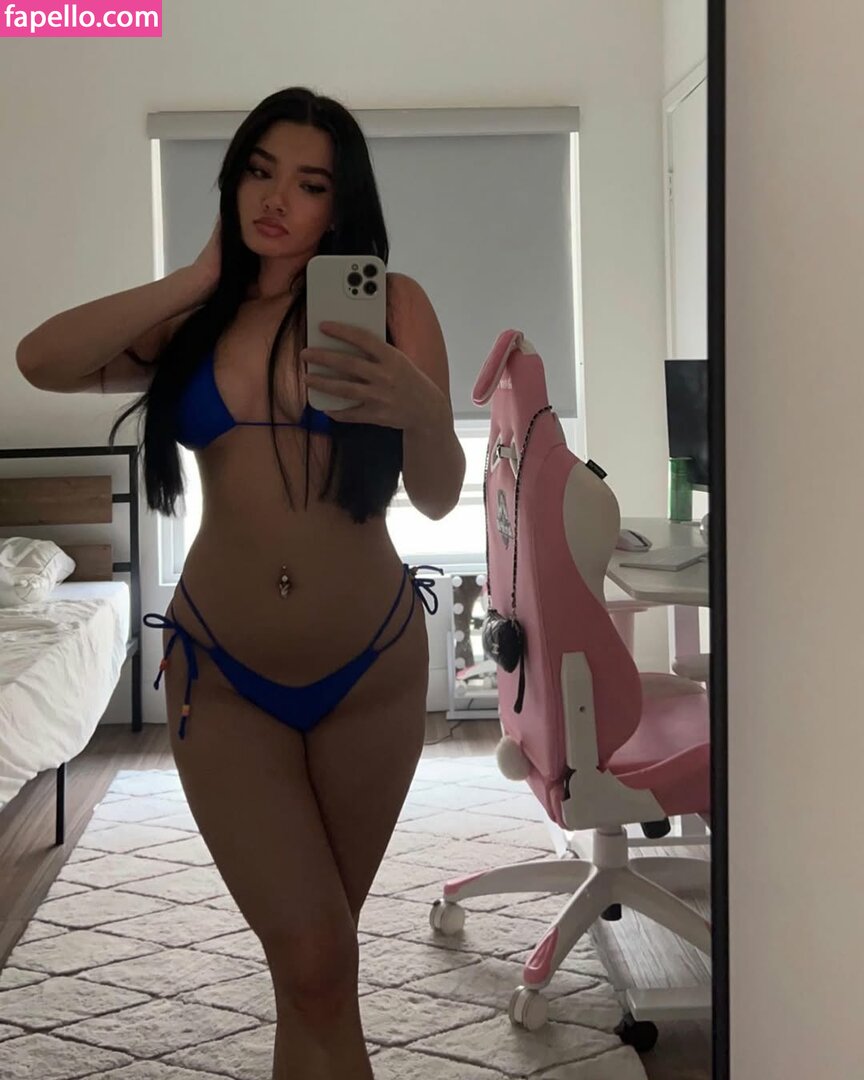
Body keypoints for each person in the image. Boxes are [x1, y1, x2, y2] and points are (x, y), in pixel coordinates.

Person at [16, 86, 466, 1080]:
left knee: (319, 970)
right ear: (231, 180)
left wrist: (423, 411)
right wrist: (196, 278)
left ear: (339, 205)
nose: (276, 199)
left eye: (309, 183)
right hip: (223, 677)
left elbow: (438, 498)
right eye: (260, 172)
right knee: (314, 958)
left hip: (372, 671)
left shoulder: (394, 304)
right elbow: (41, 358)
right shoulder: (192, 325)